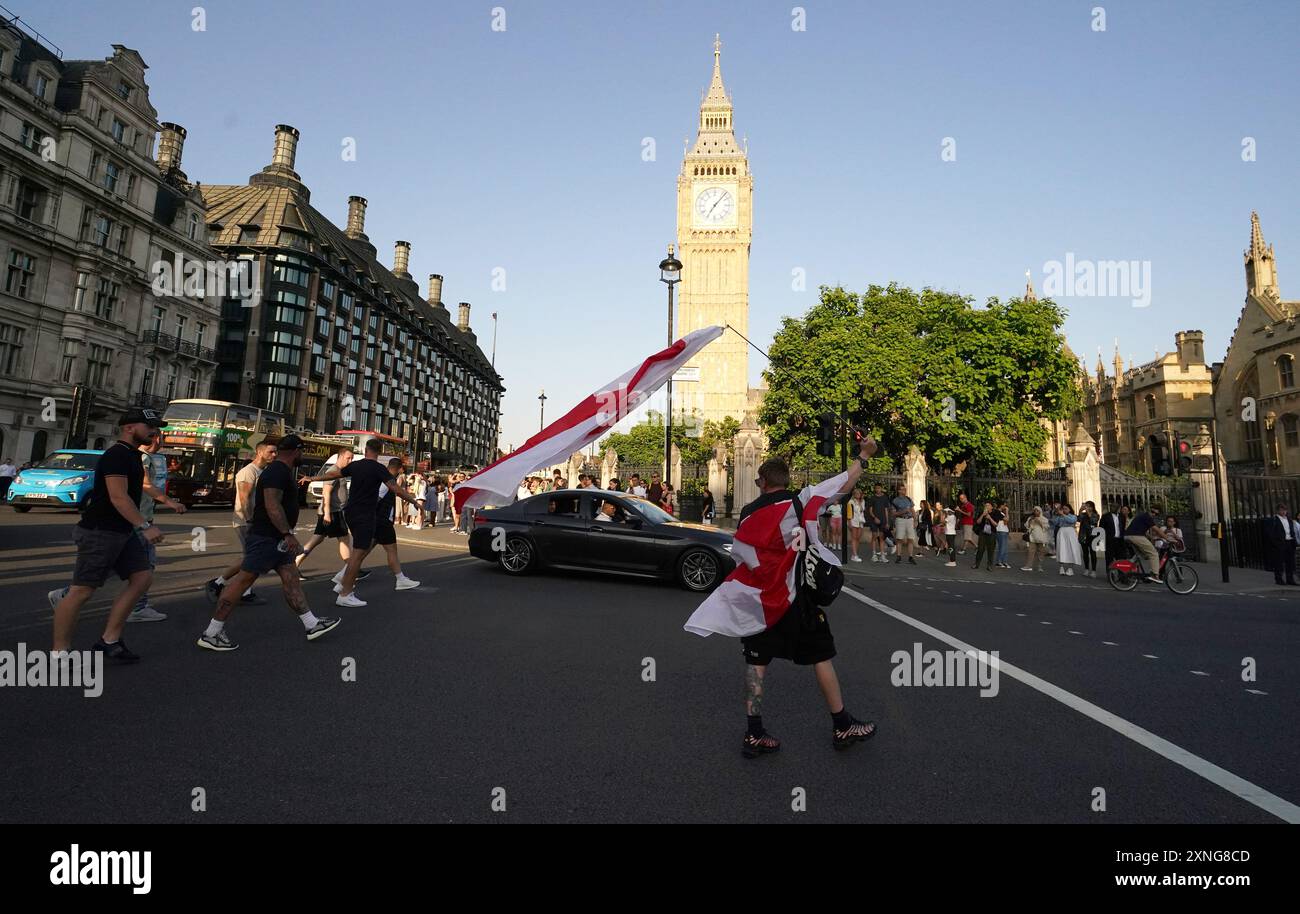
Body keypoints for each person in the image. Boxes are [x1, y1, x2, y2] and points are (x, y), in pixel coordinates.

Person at [684, 435, 881, 758]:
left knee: (756, 664)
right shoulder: (800, 502)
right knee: (820, 656)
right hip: (796, 599)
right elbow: (843, 483)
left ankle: (754, 732)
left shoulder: (747, 513)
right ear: (785, 480)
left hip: (760, 603)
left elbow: (743, 556)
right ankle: (841, 723)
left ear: (761, 482)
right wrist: (863, 455)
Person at [197, 435, 340, 651]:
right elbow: (272, 504)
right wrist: (287, 533)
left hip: (276, 538)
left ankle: (312, 624)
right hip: (267, 537)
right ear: (296, 451)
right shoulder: (277, 471)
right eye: (301, 451)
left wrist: (285, 534)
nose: (302, 455)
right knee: (242, 582)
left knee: (291, 579)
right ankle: (212, 633)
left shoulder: (280, 471)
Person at [50, 408, 169, 661]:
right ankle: (59, 653)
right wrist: (145, 526)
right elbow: (118, 496)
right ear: (129, 427)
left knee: (142, 578)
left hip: (122, 530)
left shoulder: (133, 455)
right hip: (100, 530)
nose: (154, 431)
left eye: (155, 427)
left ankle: (109, 641)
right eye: (149, 426)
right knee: (82, 591)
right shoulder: (116, 455)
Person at [304, 439, 423, 607]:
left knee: (359, 552)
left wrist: (313, 477)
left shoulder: (356, 466)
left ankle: (343, 585)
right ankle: (345, 592)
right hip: (365, 515)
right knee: (358, 555)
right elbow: (395, 488)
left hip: (351, 512)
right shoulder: (379, 469)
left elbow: (333, 474)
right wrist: (414, 501)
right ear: (379, 451)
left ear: (366, 449)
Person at [128, 428, 188, 622]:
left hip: (137, 517)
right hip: (139, 519)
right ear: (155, 438)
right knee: (147, 564)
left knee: (114, 564)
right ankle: (138, 608)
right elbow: (145, 484)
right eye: (161, 437)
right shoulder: (143, 458)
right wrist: (170, 502)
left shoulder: (145, 457)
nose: (162, 441)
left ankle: (69, 594)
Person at [204, 442, 276, 605]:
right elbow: (244, 498)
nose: (274, 455)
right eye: (271, 452)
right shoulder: (248, 472)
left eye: (275, 452)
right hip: (246, 521)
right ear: (259, 452)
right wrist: (250, 520)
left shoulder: (262, 471)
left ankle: (233, 587)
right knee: (251, 557)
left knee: (251, 557)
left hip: (255, 521)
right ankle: (218, 584)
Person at [353, 457, 422, 591]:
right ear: (399, 468)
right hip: (382, 520)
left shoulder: (385, 478)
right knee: (391, 550)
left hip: (379, 520)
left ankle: (343, 575)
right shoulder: (387, 480)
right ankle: (400, 579)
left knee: (364, 550)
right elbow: (379, 498)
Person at [295, 447, 354, 575]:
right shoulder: (333, 471)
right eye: (348, 458)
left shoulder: (340, 472)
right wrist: (327, 514)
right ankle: (352, 570)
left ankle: (295, 562)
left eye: (351, 459)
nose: (350, 461)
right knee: (344, 539)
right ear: (340, 457)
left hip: (332, 512)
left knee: (317, 539)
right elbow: (326, 493)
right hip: (333, 512)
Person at [1123, 504, 1164, 584]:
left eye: (1156, 514)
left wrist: (1152, 538)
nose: (1153, 514)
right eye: (1153, 512)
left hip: (1129, 536)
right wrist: (1167, 538)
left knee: (1142, 555)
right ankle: (1155, 575)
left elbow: (1143, 531)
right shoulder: (1147, 517)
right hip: (1135, 536)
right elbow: (1157, 530)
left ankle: (1127, 569)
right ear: (1150, 510)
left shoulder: (1142, 516)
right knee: (1154, 554)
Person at [1265, 503, 1297, 586]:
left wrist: (1294, 540)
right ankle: (1279, 579)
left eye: (1285, 510)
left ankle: (1290, 579)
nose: (1283, 512)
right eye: (1281, 510)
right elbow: (1270, 534)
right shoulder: (1273, 520)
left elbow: (1291, 530)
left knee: (1290, 562)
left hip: (1289, 542)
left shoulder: (1289, 519)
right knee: (1279, 562)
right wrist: (1277, 544)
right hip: (1280, 544)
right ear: (1278, 510)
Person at [1052, 503, 1082, 576]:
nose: (1064, 510)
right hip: (1062, 532)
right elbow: (1054, 522)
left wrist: (1063, 515)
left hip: (1071, 533)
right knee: (1061, 549)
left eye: (1066, 509)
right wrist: (1056, 514)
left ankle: (1070, 568)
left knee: (1071, 549)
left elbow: (1072, 521)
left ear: (1070, 509)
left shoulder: (1073, 516)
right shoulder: (1060, 516)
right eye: (1063, 509)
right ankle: (1061, 567)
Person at [890, 483, 917, 564]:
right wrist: (903, 511)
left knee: (911, 539)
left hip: (910, 520)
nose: (904, 490)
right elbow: (893, 513)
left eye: (904, 489)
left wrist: (915, 520)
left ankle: (911, 557)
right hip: (900, 520)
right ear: (898, 491)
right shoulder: (895, 501)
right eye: (902, 489)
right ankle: (898, 556)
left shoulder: (909, 499)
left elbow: (912, 510)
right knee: (899, 539)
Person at [1021, 507, 1051, 572]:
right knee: (1030, 552)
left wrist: (1039, 522)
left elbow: (1046, 527)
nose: (1036, 512)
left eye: (1037, 510)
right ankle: (1029, 566)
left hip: (1041, 538)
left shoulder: (1044, 519)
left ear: (1040, 511)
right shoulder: (1031, 518)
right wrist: (1030, 522)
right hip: (1032, 537)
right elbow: (1027, 526)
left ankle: (1039, 566)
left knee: (1041, 553)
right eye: (1035, 510)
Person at [866, 483, 890, 563]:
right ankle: (874, 554)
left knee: (882, 537)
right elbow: (870, 510)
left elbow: (886, 510)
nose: (877, 490)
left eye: (879, 488)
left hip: (883, 520)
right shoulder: (872, 498)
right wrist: (874, 517)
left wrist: (887, 522)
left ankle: (882, 555)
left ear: (881, 488)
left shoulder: (885, 498)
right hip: (874, 520)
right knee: (874, 536)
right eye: (876, 488)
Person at [971, 501, 998, 571]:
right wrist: (983, 515)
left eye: (988, 505)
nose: (987, 507)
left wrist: (989, 518)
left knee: (990, 550)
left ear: (991, 507)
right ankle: (976, 564)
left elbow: (995, 524)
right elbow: (978, 522)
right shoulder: (982, 513)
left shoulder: (995, 513)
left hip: (992, 533)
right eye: (986, 505)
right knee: (980, 549)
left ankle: (989, 565)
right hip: (983, 533)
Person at [1077, 501, 1099, 578]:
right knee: (1085, 553)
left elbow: (1093, 522)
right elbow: (1078, 520)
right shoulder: (1083, 515)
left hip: (1093, 536)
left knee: (1093, 553)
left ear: (1092, 507)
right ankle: (1086, 569)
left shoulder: (1096, 515)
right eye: (1086, 506)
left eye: (1089, 506)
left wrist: (1089, 513)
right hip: (1083, 535)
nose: (1087, 508)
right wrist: (1080, 510)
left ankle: (1093, 570)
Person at [848, 488, 865, 562]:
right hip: (853, 521)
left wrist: (860, 502)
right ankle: (855, 555)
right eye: (856, 493)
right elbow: (849, 513)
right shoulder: (851, 502)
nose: (858, 495)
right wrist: (849, 523)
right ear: (854, 494)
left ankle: (854, 554)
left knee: (858, 538)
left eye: (859, 493)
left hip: (860, 521)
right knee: (854, 538)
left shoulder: (863, 501)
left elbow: (862, 510)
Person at [994, 502, 1011, 569]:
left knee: (1005, 548)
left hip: (1004, 531)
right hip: (1000, 531)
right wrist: (1007, 512)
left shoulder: (1002, 513)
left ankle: (1004, 561)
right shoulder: (998, 512)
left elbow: (1006, 522)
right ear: (1001, 505)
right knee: (1002, 547)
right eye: (1004, 505)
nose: (1005, 506)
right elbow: (1006, 520)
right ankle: (999, 561)